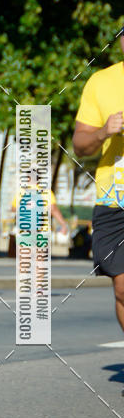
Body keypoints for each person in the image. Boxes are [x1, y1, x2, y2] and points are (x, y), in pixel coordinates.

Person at [73, 31, 124, 329]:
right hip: (114, 200)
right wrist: (104, 131)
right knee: (121, 289)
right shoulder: (101, 82)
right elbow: (80, 144)